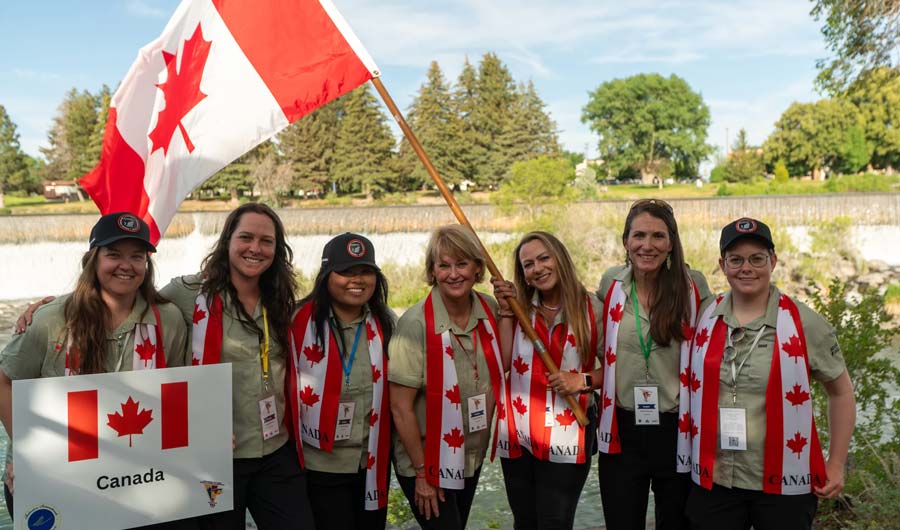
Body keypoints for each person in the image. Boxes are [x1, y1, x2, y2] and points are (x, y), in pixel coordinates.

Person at [0, 212, 191, 529]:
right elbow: (4, 381)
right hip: (51, 472)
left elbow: (176, 391)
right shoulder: (50, 321)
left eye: (137, 256)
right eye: (113, 254)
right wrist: (25, 448)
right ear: (93, 259)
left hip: (129, 475)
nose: (126, 265)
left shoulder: (167, 320)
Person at [684, 218, 855, 530]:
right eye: (735, 260)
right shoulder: (706, 315)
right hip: (717, 478)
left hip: (784, 482)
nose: (746, 268)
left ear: (773, 261)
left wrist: (836, 463)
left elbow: (841, 392)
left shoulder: (805, 323)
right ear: (722, 265)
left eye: (757, 258)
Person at [160, 203, 314, 530]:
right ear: (228, 240)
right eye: (246, 237)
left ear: (277, 248)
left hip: (275, 449)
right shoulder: (188, 293)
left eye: (266, 241)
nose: (255, 249)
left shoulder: (280, 298)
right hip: (215, 458)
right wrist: (54, 305)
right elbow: (129, 301)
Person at [389, 224, 517, 530]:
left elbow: (504, 362)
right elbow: (400, 408)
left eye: (462, 264)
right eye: (443, 266)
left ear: (477, 268)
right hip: (427, 461)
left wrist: (509, 313)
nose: (453, 274)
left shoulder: (489, 308)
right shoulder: (415, 324)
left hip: (469, 455)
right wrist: (422, 474)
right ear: (432, 272)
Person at [596, 199, 711, 530]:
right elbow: (577, 316)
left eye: (658, 236)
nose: (648, 245)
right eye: (639, 235)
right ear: (626, 242)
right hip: (622, 428)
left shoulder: (693, 287)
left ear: (671, 243)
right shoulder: (611, 285)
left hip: (675, 428)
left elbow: (712, 348)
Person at [491, 231, 603, 530]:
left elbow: (618, 369)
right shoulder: (518, 310)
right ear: (524, 276)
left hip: (570, 427)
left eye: (543, 258)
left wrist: (582, 380)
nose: (537, 268)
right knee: (525, 520)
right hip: (520, 427)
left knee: (555, 521)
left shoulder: (593, 309)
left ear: (560, 259)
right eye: (528, 265)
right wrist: (504, 312)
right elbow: (501, 363)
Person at [287, 233, 395, 529]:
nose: (356, 280)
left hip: (372, 463)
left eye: (365, 271)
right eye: (345, 272)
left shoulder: (387, 323)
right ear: (326, 276)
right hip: (319, 465)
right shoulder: (295, 321)